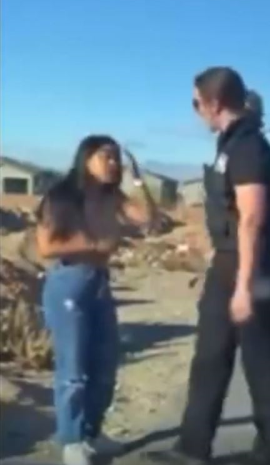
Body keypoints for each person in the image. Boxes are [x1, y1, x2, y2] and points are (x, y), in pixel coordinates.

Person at [148, 67, 270, 465]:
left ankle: (269, 450)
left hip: (250, 268)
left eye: (195, 103)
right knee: (209, 356)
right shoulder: (230, 145)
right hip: (228, 264)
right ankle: (192, 448)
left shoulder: (248, 148)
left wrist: (244, 284)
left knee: (259, 359)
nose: (194, 112)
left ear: (213, 103)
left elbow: (253, 219)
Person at [36, 135, 157, 465]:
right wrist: (93, 246)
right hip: (68, 282)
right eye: (107, 156)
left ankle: (92, 432)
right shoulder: (62, 196)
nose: (114, 162)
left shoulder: (113, 197)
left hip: (99, 283)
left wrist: (137, 179)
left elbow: (148, 220)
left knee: (105, 364)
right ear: (86, 158)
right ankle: (71, 441)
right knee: (73, 368)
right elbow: (45, 247)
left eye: (117, 157)